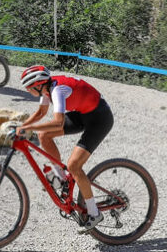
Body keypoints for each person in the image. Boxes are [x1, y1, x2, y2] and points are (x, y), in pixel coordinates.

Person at [16, 65, 114, 231]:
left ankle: (94, 212)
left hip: (100, 119)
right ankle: (60, 177)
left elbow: (58, 122)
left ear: (38, 85)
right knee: (44, 136)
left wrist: (31, 129)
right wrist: (21, 126)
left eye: (28, 88)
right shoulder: (47, 89)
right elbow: (41, 113)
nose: (27, 91)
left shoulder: (57, 90)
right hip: (83, 114)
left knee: (74, 165)